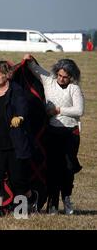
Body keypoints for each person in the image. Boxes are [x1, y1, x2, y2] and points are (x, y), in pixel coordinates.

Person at [23, 54, 84, 215]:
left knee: (68, 168)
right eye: (60, 75)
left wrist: (58, 110)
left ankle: (67, 198)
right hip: (52, 132)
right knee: (52, 168)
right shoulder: (49, 81)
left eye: (66, 77)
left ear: (71, 77)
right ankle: (53, 202)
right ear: (56, 72)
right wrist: (29, 59)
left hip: (70, 132)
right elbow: (35, 68)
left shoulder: (74, 89)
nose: (62, 79)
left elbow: (79, 110)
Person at [0, 61, 38, 217]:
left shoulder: (16, 90)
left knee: (17, 179)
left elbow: (22, 106)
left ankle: (24, 205)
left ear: (7, 75)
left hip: (14, 143)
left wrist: (20, 117)